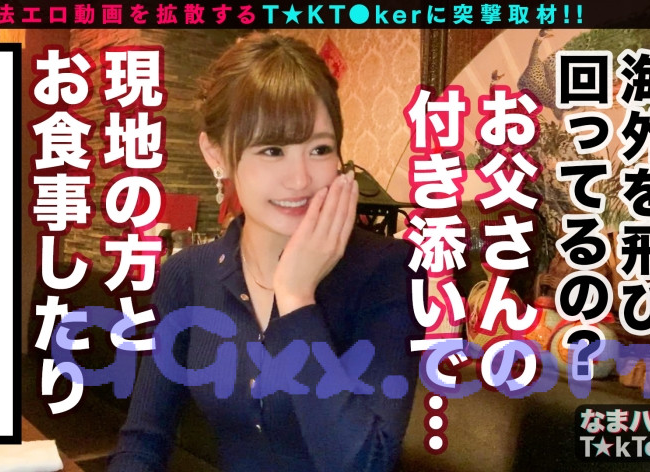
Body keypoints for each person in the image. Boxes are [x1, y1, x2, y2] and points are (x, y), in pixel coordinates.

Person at [108, 33, 426, 472]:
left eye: (319, 149)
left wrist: (296, 297)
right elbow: (143, 440)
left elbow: (366, 463)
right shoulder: (188, 275)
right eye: (272, 150)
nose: (300, 180)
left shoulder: (389, 270)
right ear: (216, 155)